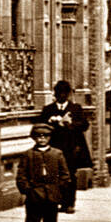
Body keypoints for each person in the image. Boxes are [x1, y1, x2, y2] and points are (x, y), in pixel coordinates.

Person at [15, 122, 68, 222]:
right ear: (34, 138)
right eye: (38, 136)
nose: (42, 139)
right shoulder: (28, 155)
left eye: (45, 136)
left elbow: (65, 175)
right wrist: (28, 190)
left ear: (50, 138)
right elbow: (21, 176)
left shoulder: (57, 154)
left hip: (52, 196)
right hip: (35, 196)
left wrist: (58, 191)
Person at [39, 80, 92, 213]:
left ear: (68, 94)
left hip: (71, 148)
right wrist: (52, 122)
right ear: (55, 94)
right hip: (54, 149)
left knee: (69, 176)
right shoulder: (48, 110)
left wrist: (70, 124)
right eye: (59, 93)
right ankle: (56, 201)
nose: (61, 96)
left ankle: (69, 203)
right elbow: (41, 127)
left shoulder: (76, 109)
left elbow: (85, 125)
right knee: (54, 175)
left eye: (64, 93)